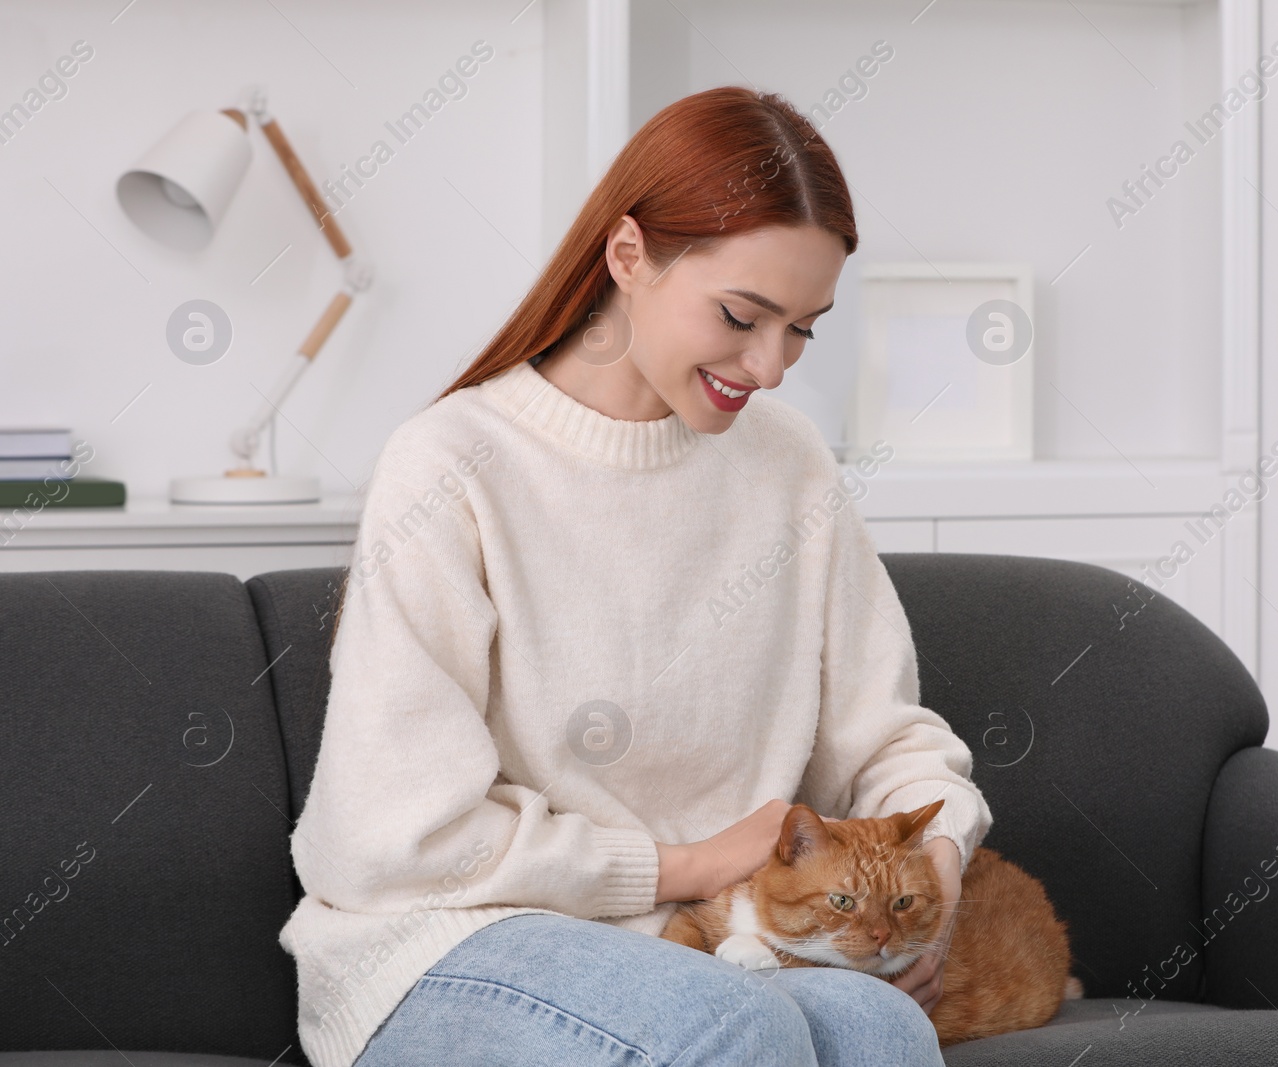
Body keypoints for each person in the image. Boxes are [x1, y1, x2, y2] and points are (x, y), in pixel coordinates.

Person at [278, 85, 993, 1067]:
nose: (771, 364)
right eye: (743, 314)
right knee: (732, 1026)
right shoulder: (452, 462)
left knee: (878, 1024)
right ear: (628, 256)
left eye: (803, 329)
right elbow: (390, 836)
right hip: (446, 935)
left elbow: (884, 740)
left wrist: (940, 854)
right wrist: (685, 863)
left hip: (707, 940)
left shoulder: (787, 465)